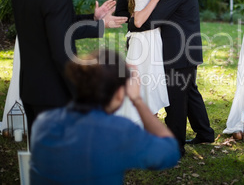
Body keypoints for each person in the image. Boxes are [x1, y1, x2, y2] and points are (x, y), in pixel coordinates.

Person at [12, 0, 127, 141]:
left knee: (43, 162)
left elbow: (56, 27)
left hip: (30, 91)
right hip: (56, 94)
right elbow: (60, 49)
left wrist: (96, 21)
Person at [30, 49, 180, 185]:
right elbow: (171, 151)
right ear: (120, 93)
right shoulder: (119, 131)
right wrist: (137, 100)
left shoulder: (43, 123)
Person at [128, 0, 215, 157]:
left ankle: (176, 147)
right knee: (189, 92)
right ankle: (205, 133)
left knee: (176, 99)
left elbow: (155, 18)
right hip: (186, 49)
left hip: (179, 52)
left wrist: (133, 24)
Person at [114, 0, 169, 124]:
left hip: (152, 38)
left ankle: (149, 130)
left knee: (149, 88)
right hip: (142, 40)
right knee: (141, 87)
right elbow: (137, 21)